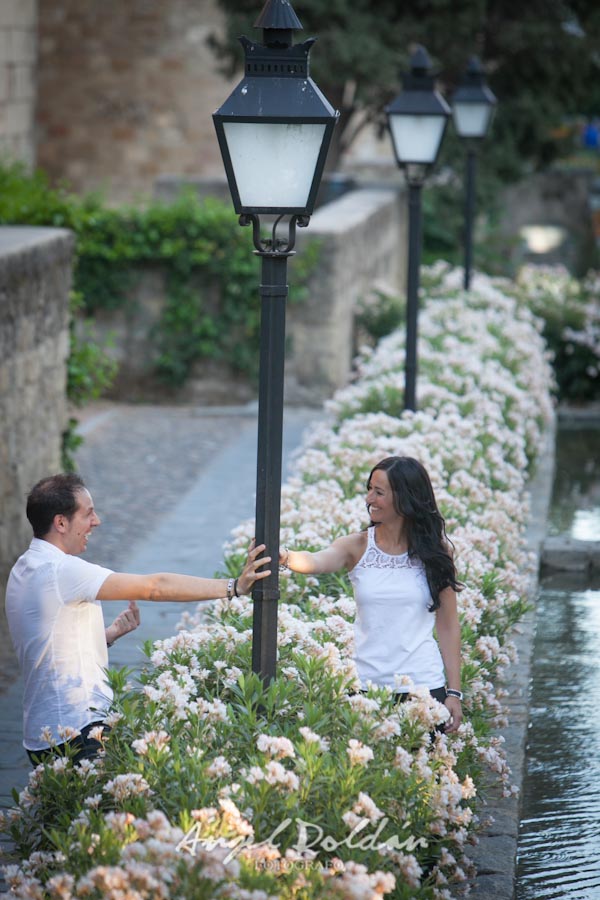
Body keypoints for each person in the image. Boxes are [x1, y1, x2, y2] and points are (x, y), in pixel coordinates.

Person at [5, 473, 271, 765]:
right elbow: (154, 587)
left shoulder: (24, 567)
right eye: (88, 513)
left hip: (41, 733)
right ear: (61, 523)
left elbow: (43, 641)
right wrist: (234, 586)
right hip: (77, 732)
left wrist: (106, 635)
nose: (97, 521)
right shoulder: (63, 571)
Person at [279, 456, 464, 732]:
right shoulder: (357, 546)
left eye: (379, 492)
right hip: (366, 688)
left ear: (406, 498)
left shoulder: (434, 554)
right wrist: (285, 557)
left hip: (424, 688)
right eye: (369, 489)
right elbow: (317, 560)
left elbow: (448, 626)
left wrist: (454, 693)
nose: (369, 499)